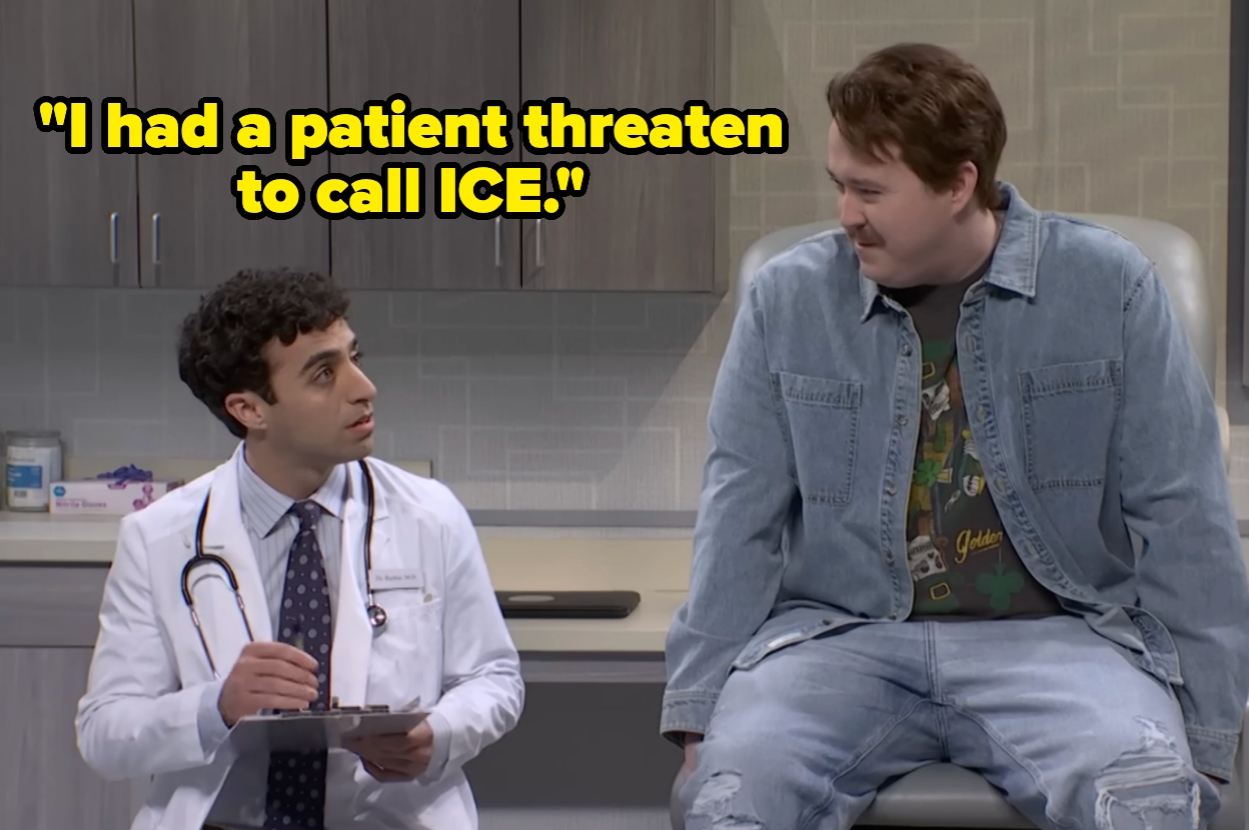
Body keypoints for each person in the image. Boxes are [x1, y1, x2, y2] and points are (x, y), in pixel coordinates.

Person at [664, 42, 1249, 830]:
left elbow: (1186, 523)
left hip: (1058, 644)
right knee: (730, 805)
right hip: (839, 640)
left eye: (869, 190)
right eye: (838, 186)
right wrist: (699, 715)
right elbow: (738, 516)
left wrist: (1208, 732)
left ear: (958, 183)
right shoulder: (787, 301)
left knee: (1143, 804)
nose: (845, 214)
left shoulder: (1110, 286)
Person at [75, 269, 524, 830]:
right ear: (249, 410)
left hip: (388, 820)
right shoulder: (159, 538)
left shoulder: (429, 514)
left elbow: (494, 678)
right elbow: (104, 732)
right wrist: (219, 706)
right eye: (323, 374)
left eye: (353, 358)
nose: (364, 388)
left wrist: (440, 735)